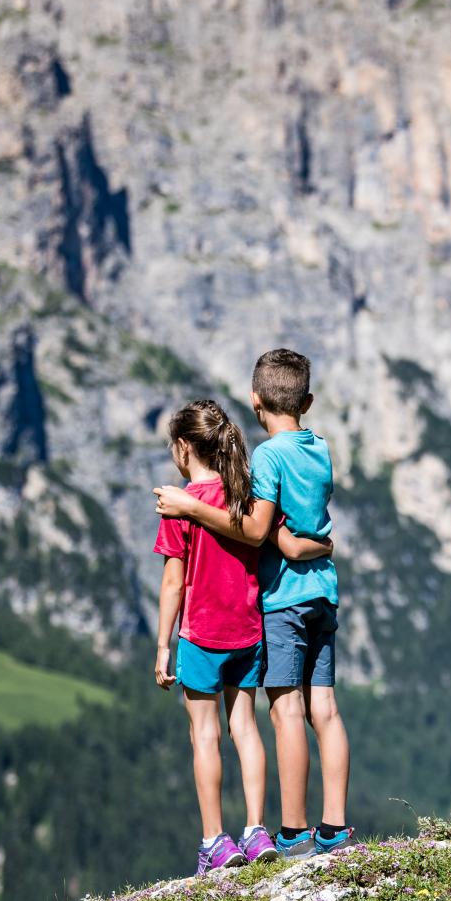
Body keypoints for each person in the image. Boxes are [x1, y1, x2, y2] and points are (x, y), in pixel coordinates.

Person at [155, 349, 349, 858]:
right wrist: (312, 545)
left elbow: (259, 529)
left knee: (285, 711)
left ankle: (291, 831)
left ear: (255, 400)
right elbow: (299, 531)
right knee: (324, 708)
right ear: (307, 401)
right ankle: (336, 827)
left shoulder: (264, 457)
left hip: (280, 600)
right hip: (323, 591)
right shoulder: (321, 448)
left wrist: (191, 506)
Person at [152, 398, 283, 874]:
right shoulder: (241, 496)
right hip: (247, 633)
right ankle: (255, 830)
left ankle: (214, 841)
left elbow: (172, 581)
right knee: (246, 728)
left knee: (204, 735)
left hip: (202, 635)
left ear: (185, 448)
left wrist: (164, 644)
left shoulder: (179, 505)